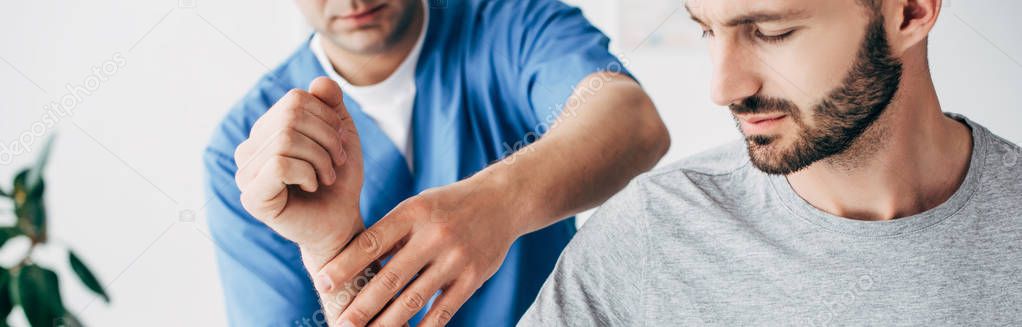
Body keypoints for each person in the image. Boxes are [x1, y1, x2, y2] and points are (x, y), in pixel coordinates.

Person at [520, 0, 1022, 325]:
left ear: (910, 12)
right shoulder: (650, 232)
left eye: (771, 31)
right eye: (707, 31)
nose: (724, 89)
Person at [203, 0, 670, 326]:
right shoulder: (251, 153)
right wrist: (331, 248)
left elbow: (632, 122)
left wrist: (498, 204)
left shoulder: (510, 25)